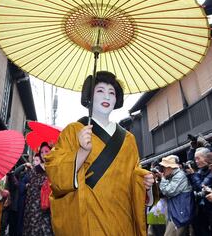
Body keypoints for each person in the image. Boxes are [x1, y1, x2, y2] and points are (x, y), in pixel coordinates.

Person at [45, 71, 154, 236]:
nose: (107, 97)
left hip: (122, 219)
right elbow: (55, 172)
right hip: (88, 217)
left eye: (112, 93)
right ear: (89, 96)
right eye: (100, 91)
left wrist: (144, 181)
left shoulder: (128, 139)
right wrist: (82, 151)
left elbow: (134, 172)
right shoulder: (73, 130)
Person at [156, 155, 193, 236]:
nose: (163, 170)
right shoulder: (172, 176)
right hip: (176, 214)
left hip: (180, 215)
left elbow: (168, 191)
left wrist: (163, 179)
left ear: (170, 167)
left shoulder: (179, 176)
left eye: (164, 168)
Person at [185, 147, 212, 236]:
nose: (196, 161)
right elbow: (194, 188)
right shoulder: (200, 171)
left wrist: (193, 174)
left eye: (198, 158)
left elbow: (202, 187)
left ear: (207, 158)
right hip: (203, 209)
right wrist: (189, 176)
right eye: (195, 159)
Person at [23, 143, 53, 236]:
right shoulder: (35, 170)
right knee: (33, 230)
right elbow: (30, 189)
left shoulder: (54, 169)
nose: (44, 154)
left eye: (46, 151)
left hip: (49, 207)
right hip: (34, 208)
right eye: (42, 152)